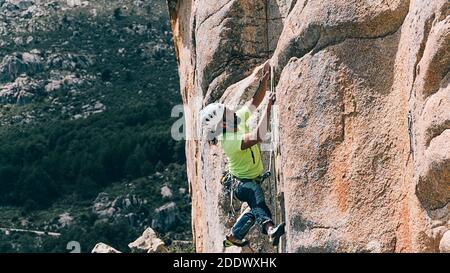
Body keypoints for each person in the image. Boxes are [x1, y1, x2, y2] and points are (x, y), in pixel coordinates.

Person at [199, 60, 285, 247]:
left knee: (254, 208)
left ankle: (234, 236)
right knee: (255, 195)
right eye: (226, 112)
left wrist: (264, 79)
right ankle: (270, 229)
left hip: (247, 179)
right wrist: (269, 107)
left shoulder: (235, 120)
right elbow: (258, 135)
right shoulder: (229, 141)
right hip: (241, 184)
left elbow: (254, 102)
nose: (230, 110)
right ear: (222, 124)